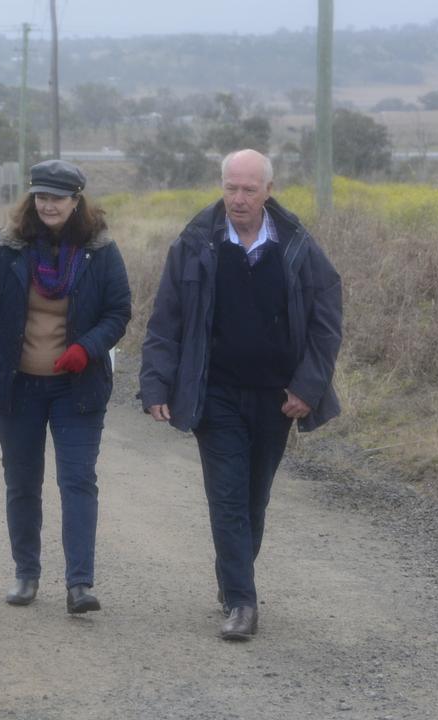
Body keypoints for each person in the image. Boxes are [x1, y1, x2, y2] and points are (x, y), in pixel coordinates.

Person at [138, 149, 343, 641]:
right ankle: (243, 603)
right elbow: (167, 320)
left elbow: (325, 324)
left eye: (250, 189)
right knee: (227, 497)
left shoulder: (298, 247)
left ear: (268, 191)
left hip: (278, 397)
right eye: (231, 188)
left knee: (254, 499)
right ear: (221, 186)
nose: (239, 198)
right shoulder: (194, 244)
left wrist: (308, 387)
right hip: (216, 393)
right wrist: (155, 382)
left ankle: (232, 581)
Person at [0, 159, 131, 613]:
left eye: (57, 197)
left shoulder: (101, 250)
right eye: (41, 196)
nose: (48, 204)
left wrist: (87, 348)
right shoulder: (7, 247)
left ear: (77, 202)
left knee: (77, 481)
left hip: (78, 388)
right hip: (17, 387)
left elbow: (118, 313)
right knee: (22, 482)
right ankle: (26, 574)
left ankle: (79, 585)